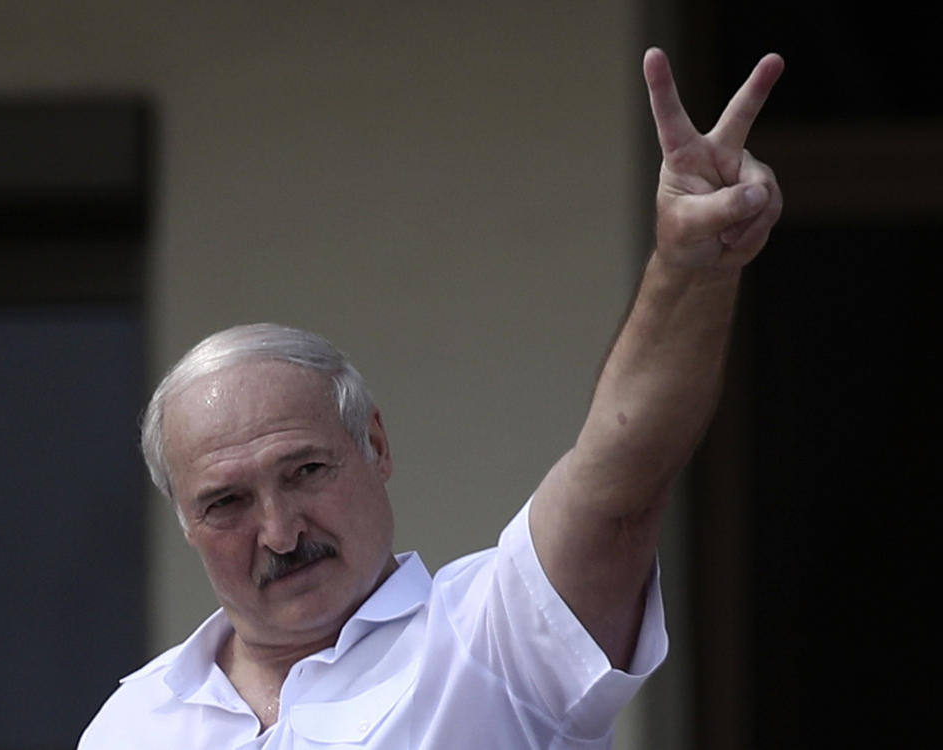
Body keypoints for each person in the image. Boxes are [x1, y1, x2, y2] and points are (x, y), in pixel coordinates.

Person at [78, 47, 784, 748]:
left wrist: (687, 269)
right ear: (184, 520)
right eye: (226, 502)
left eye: (305, 472)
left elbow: (622, 479)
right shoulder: (134, 724)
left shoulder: (494, 636)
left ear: (375, 445)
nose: (282, 533)